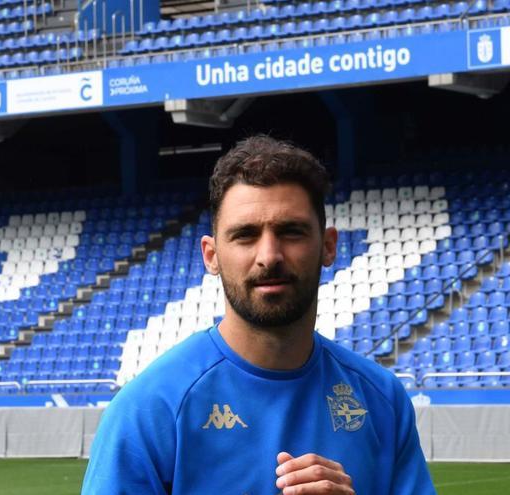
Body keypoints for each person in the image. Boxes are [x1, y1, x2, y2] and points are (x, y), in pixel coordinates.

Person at [82, 135, 435, 494]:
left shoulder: (382, 399)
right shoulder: (149, 409)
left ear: (328, 246)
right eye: (245, 235)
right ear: (211, 255)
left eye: (291, 232)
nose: (269, 255)